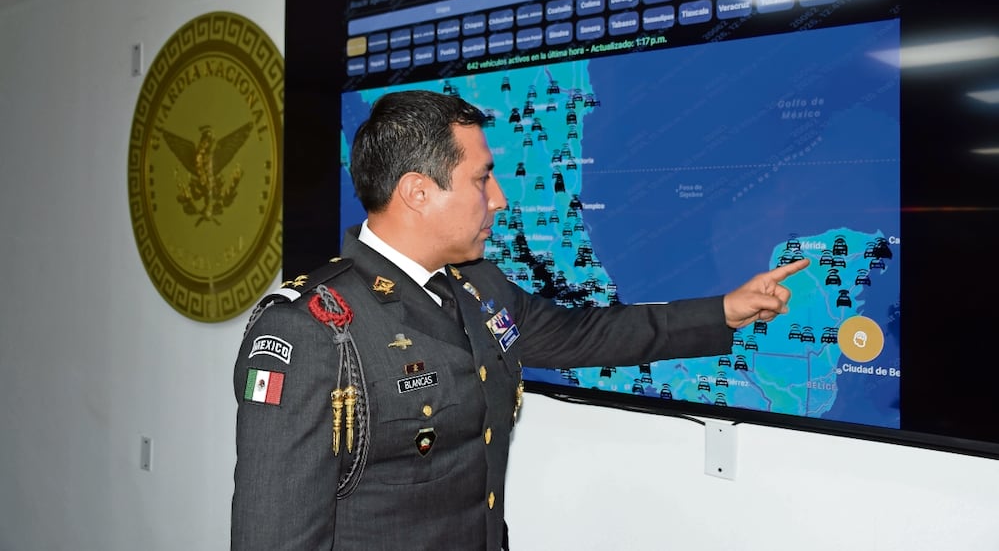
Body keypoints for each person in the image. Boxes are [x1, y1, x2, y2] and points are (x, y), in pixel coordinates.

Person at [231, 89, 808, 550]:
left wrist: (725, 311)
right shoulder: (310, 330)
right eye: (482, 178)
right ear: (416, 193)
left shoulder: (479, 285)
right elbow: (273, 534)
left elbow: (588, 333)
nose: (500, 198)